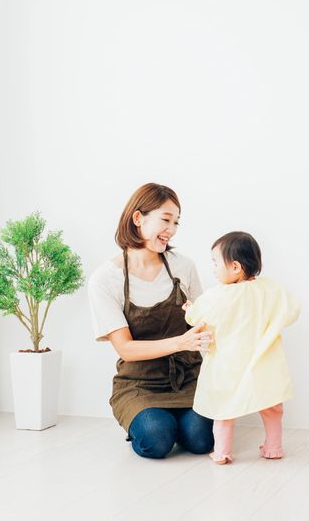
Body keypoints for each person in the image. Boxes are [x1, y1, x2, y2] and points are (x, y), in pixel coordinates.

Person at [88, 183, 214, 458]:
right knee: (156, 440)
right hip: (138, 384)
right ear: (138, 218)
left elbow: (204, 323)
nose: (172, 229)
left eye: (177, 222)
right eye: (166, 220)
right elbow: (126, 349)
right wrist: (182, 341)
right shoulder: (105, 279)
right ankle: (151, 421)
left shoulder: (183, 266)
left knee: (201, 440)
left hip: (188, 378)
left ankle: (177, 422)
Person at [185, 231, 300, 464]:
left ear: (235, 267)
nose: (213, 269)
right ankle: (273, 446)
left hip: (228, 364)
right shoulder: (269, 288)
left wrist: (189, 309)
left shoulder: (218, 295)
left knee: (224, 410)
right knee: (271, 407)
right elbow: (292, 309)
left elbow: (197, 317)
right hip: (263, 360)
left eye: (216, 263)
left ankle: (222, 452)